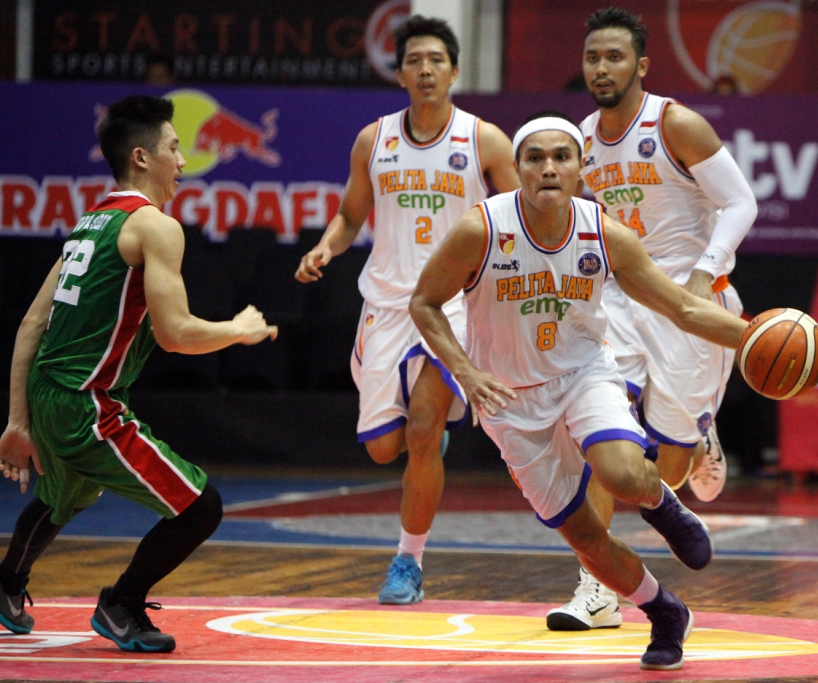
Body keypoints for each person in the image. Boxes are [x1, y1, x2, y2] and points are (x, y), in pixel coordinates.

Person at [408, 113, 749, 671]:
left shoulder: (604, 232)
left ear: (581, 168)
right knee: (587, 540)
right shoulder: (480, 230)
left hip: (582, 374)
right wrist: (465, 372)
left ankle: (664, 506)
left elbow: (684, 308)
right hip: (511, 400)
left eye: (561, 157)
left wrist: (754, 337)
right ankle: (665, 611)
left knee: (621, 473)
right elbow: (423, 303)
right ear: (517, 168)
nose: (548, 168)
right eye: (535, 158)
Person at [0, 95, 277, 652]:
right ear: (142, 157)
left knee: (66, 494)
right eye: (174, 147)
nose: (183, 159)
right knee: (201, 506)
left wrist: (17, 421)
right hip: (85, 402)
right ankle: (121, 602)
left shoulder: (90, 223)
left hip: (49, 393)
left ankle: (6, 580)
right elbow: (175, 334)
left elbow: (31, 323)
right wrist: (237, 329)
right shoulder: (155, 226)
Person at [294, 16, 518, 605]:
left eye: (436, 60)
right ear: (399, 75)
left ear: (454, 71)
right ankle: (426, 447)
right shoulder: (373, 141)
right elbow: (351, 215)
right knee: (382, 448)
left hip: (454, 306)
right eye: (414, 60)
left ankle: (407, 562)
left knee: (421, 430)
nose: (425, 70)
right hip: (387, 304)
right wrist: (326, 246)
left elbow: (518, 217)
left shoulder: (485, 140)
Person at [547, 7, 758, 630]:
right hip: (620, 298)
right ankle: (596, 590)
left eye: (614, 57)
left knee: (669, 463)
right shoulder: (580, 139)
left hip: (688, 301)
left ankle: (699, 433)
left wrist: (705, 272)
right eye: (592, 57)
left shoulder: (675, 124)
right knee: (601, 441)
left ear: (640, 65)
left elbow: (741, 202)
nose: (601, 68)